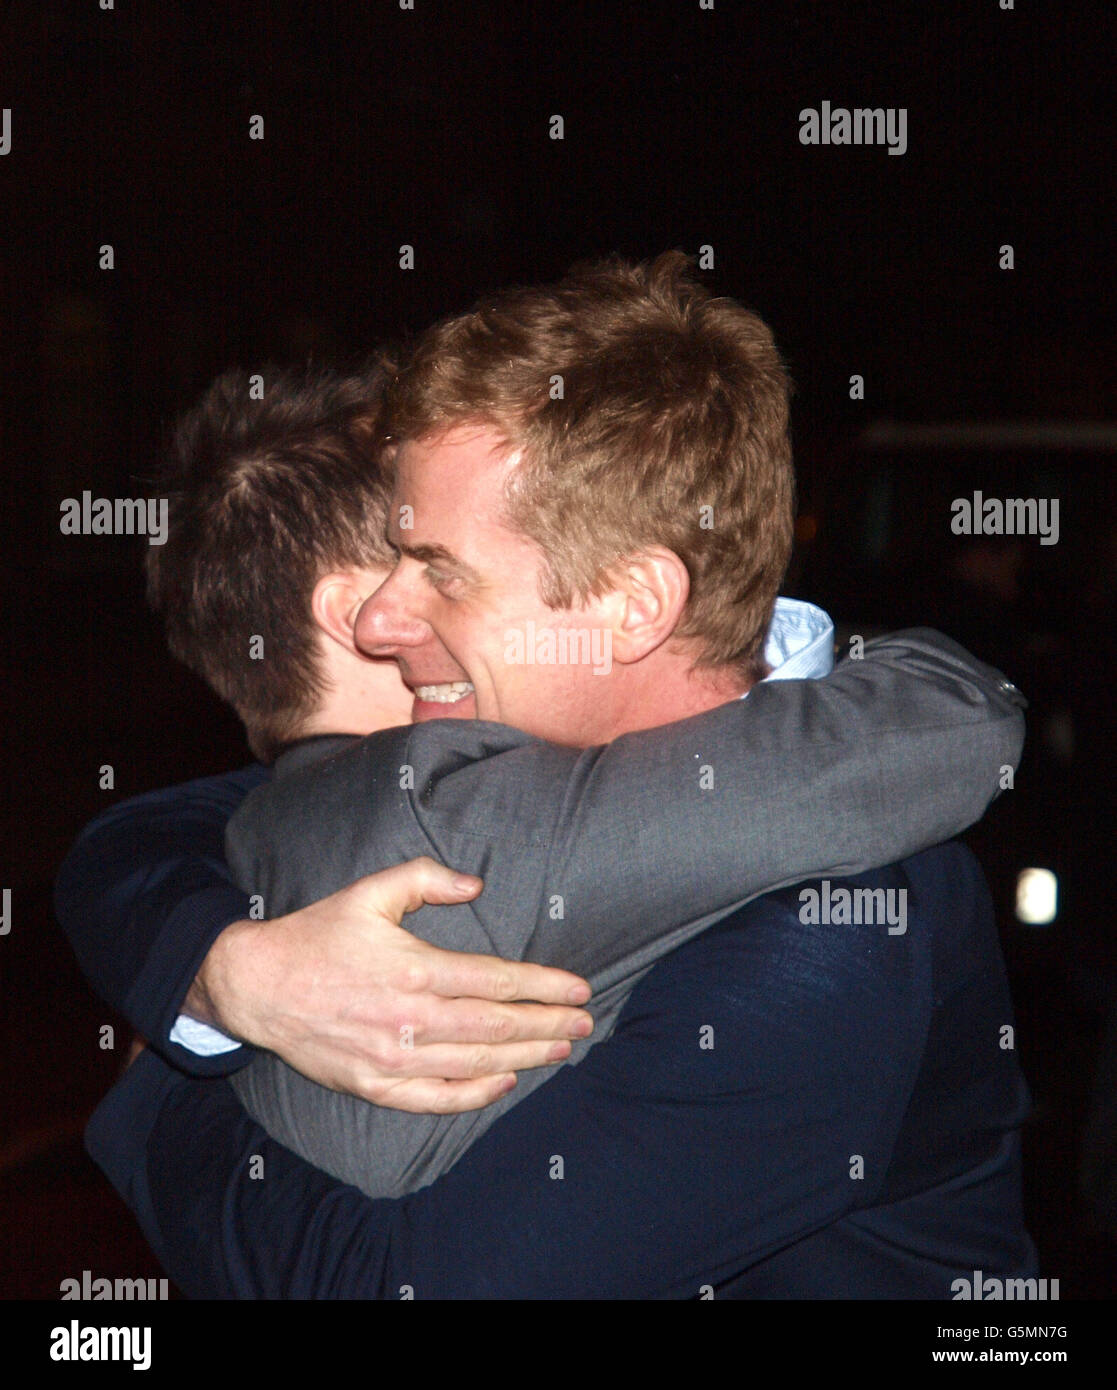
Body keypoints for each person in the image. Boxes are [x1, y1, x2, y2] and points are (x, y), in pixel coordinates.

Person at [59, 253, 1035, 1295]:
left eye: (439, 570)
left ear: (630, 604)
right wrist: (221, 971)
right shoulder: (502, 776)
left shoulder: (832, 936)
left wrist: (152, 1101)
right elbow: (174, 827)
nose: (383, 622)